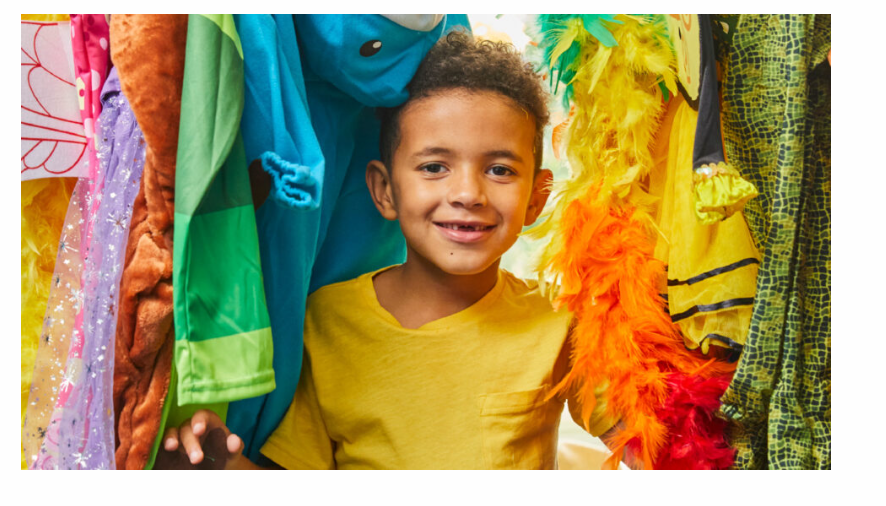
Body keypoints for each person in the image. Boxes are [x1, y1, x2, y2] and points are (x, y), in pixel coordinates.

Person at [161, 31, 618, 470]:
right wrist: (220, 463)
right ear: (384, 190)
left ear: (536, 198)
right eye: (435, 166)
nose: (467, 193)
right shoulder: (327, 321)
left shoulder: (562, 324)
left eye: (499, 169)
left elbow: (660, 447)